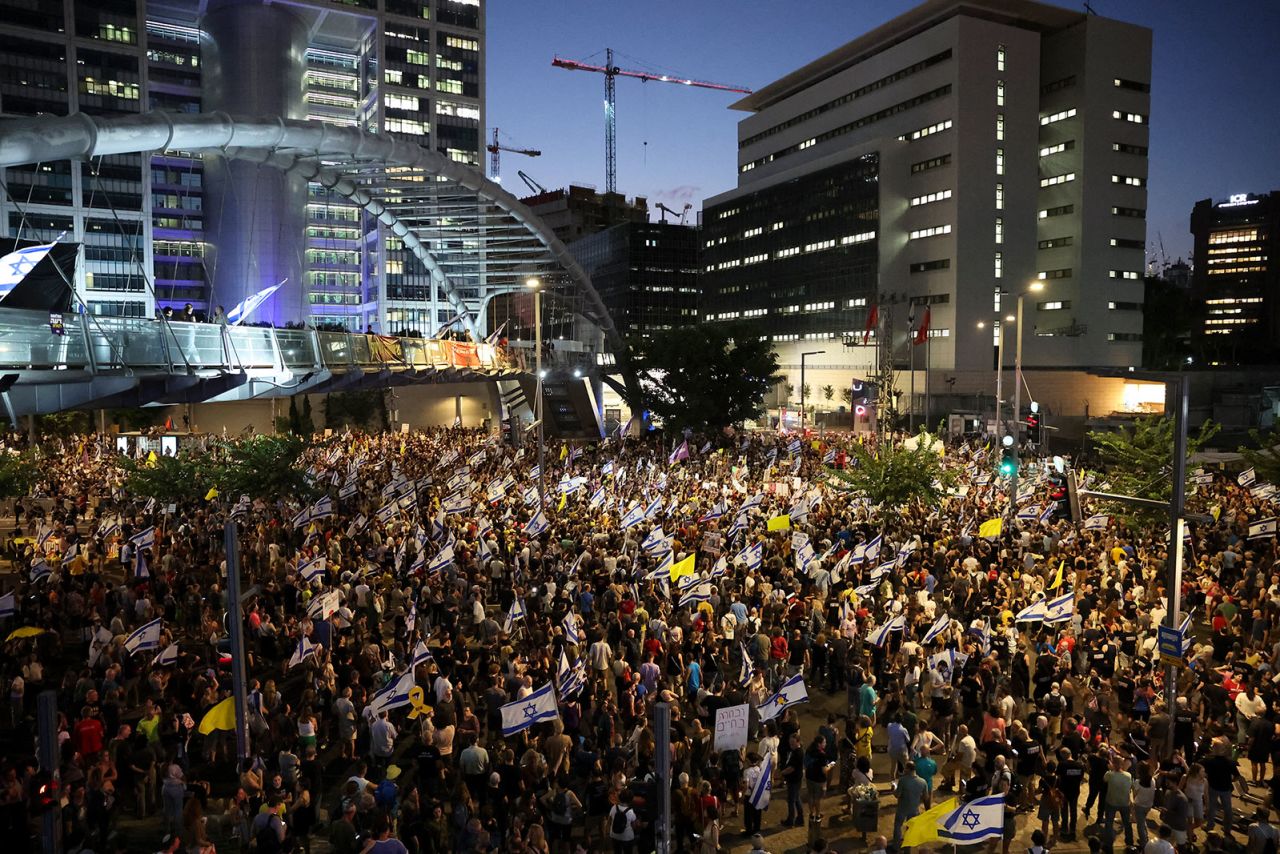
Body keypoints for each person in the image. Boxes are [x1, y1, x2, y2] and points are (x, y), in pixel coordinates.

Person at [892, 760, 928, 850]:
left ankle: (896, 846)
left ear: (908, 769)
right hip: (914, 809)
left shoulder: (903, 780)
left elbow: (897, 795)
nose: (904, 770)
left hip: (902, 808)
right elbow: (926, 797)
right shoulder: (923, 782)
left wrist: (893, 789)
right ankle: (907, 849)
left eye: (905, 768)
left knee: (897, 826)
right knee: (910, 830)